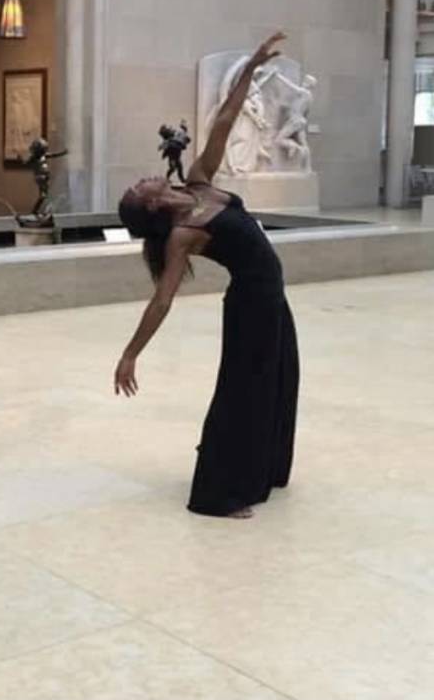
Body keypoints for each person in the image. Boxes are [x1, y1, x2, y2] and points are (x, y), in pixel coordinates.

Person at [114, 31, 299, 518]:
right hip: (250, 305)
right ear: (151, 203)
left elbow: (223, 121)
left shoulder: (198, 182)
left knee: (277, 382)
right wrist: (131, 355)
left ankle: (262, 473)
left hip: (271, 294)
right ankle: (220, 495)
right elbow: (162, 300)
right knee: (242, 393)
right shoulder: (182, 234)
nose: (144, 178)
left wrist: (253, 66)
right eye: (139, 187)